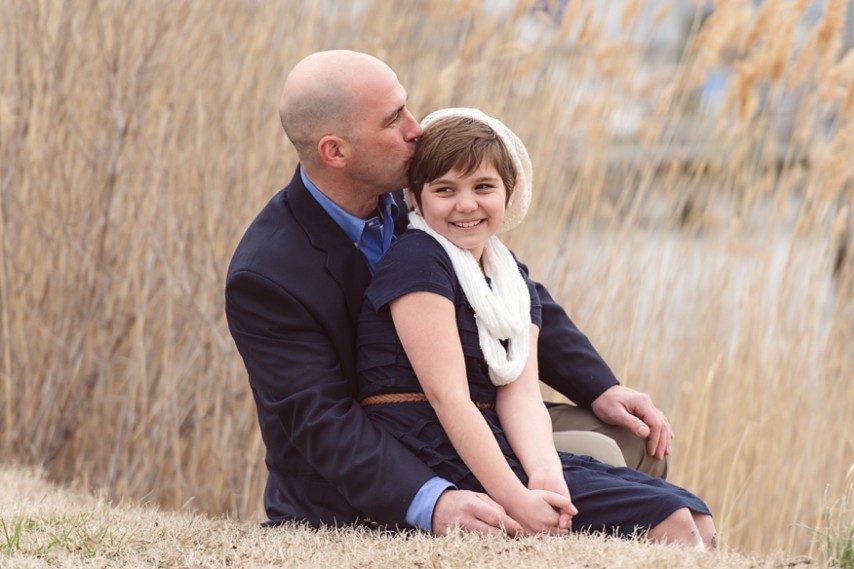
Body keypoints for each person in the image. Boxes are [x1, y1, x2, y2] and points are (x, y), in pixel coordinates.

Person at [225, 49, 675, 536]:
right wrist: (433, 502)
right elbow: (322, 423)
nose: (416, 129)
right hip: (374, 467)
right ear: (335, 151)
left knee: (631, 440)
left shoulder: (416, 200)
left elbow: (509, 291)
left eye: (407, 107)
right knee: (607, 460)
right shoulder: (267, 275)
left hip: (471, 416)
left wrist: (602, 387)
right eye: (394, 119)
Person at [355, 108, 715, 545]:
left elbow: (520, 394)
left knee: (695, 517)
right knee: (670, 523)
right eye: (445, 190)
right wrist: (515, 499)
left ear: (509, 193)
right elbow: (446, 398)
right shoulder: (418, 259)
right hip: (426, 441)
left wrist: (546, 477)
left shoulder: (510, 278)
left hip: (494, 435)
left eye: (483, 187)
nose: (466, 204)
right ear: (415, 196)